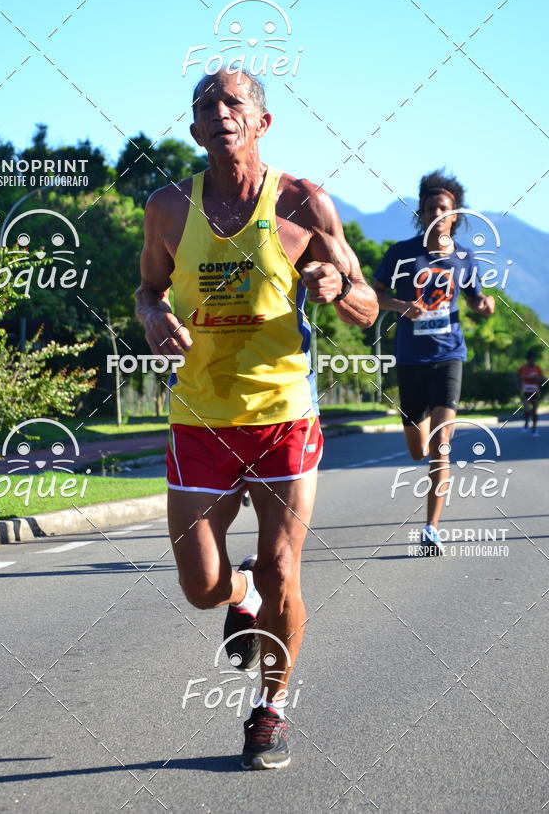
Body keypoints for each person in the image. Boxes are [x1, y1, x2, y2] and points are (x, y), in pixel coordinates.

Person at [135, 68, 378, 769]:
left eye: (233, 102)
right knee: (200, 587)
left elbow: (366, 301)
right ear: (194, 130)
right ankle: (236, 593)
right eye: (205, 106)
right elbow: (149, 291)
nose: (219, 112)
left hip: (283, 418)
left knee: (282, 569)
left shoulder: (305, 203)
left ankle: (270, 711)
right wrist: (155, 320)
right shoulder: (168, 208)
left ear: (262, 123)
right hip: (200, 420)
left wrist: (338, 287)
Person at [373, 170, 495, 555]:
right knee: (417, 449)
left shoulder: (464, 257)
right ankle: (419, 438)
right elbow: (373, 296)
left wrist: (483, 304)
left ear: (454, 214)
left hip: (449, 356)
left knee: (442, 445)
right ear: (421, 214)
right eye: (430, 209)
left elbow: (476, 299)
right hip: (411, 359)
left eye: (444, 208)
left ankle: (431, 529)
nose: (437, 214)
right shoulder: (401, 253)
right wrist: (399, 306)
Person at [517, 350, 544, 436]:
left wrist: (536, 378)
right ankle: (526, 422)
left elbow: (542, 379)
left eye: (534, 359)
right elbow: (517, 377)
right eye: (531, 359)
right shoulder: (522, 368)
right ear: (528, 359)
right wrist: (521, 379)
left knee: (535, 411)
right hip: (526, 391)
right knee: (526, 409)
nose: (533, 360)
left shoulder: (537, 368)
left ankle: (534, 428)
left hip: (535, 392)